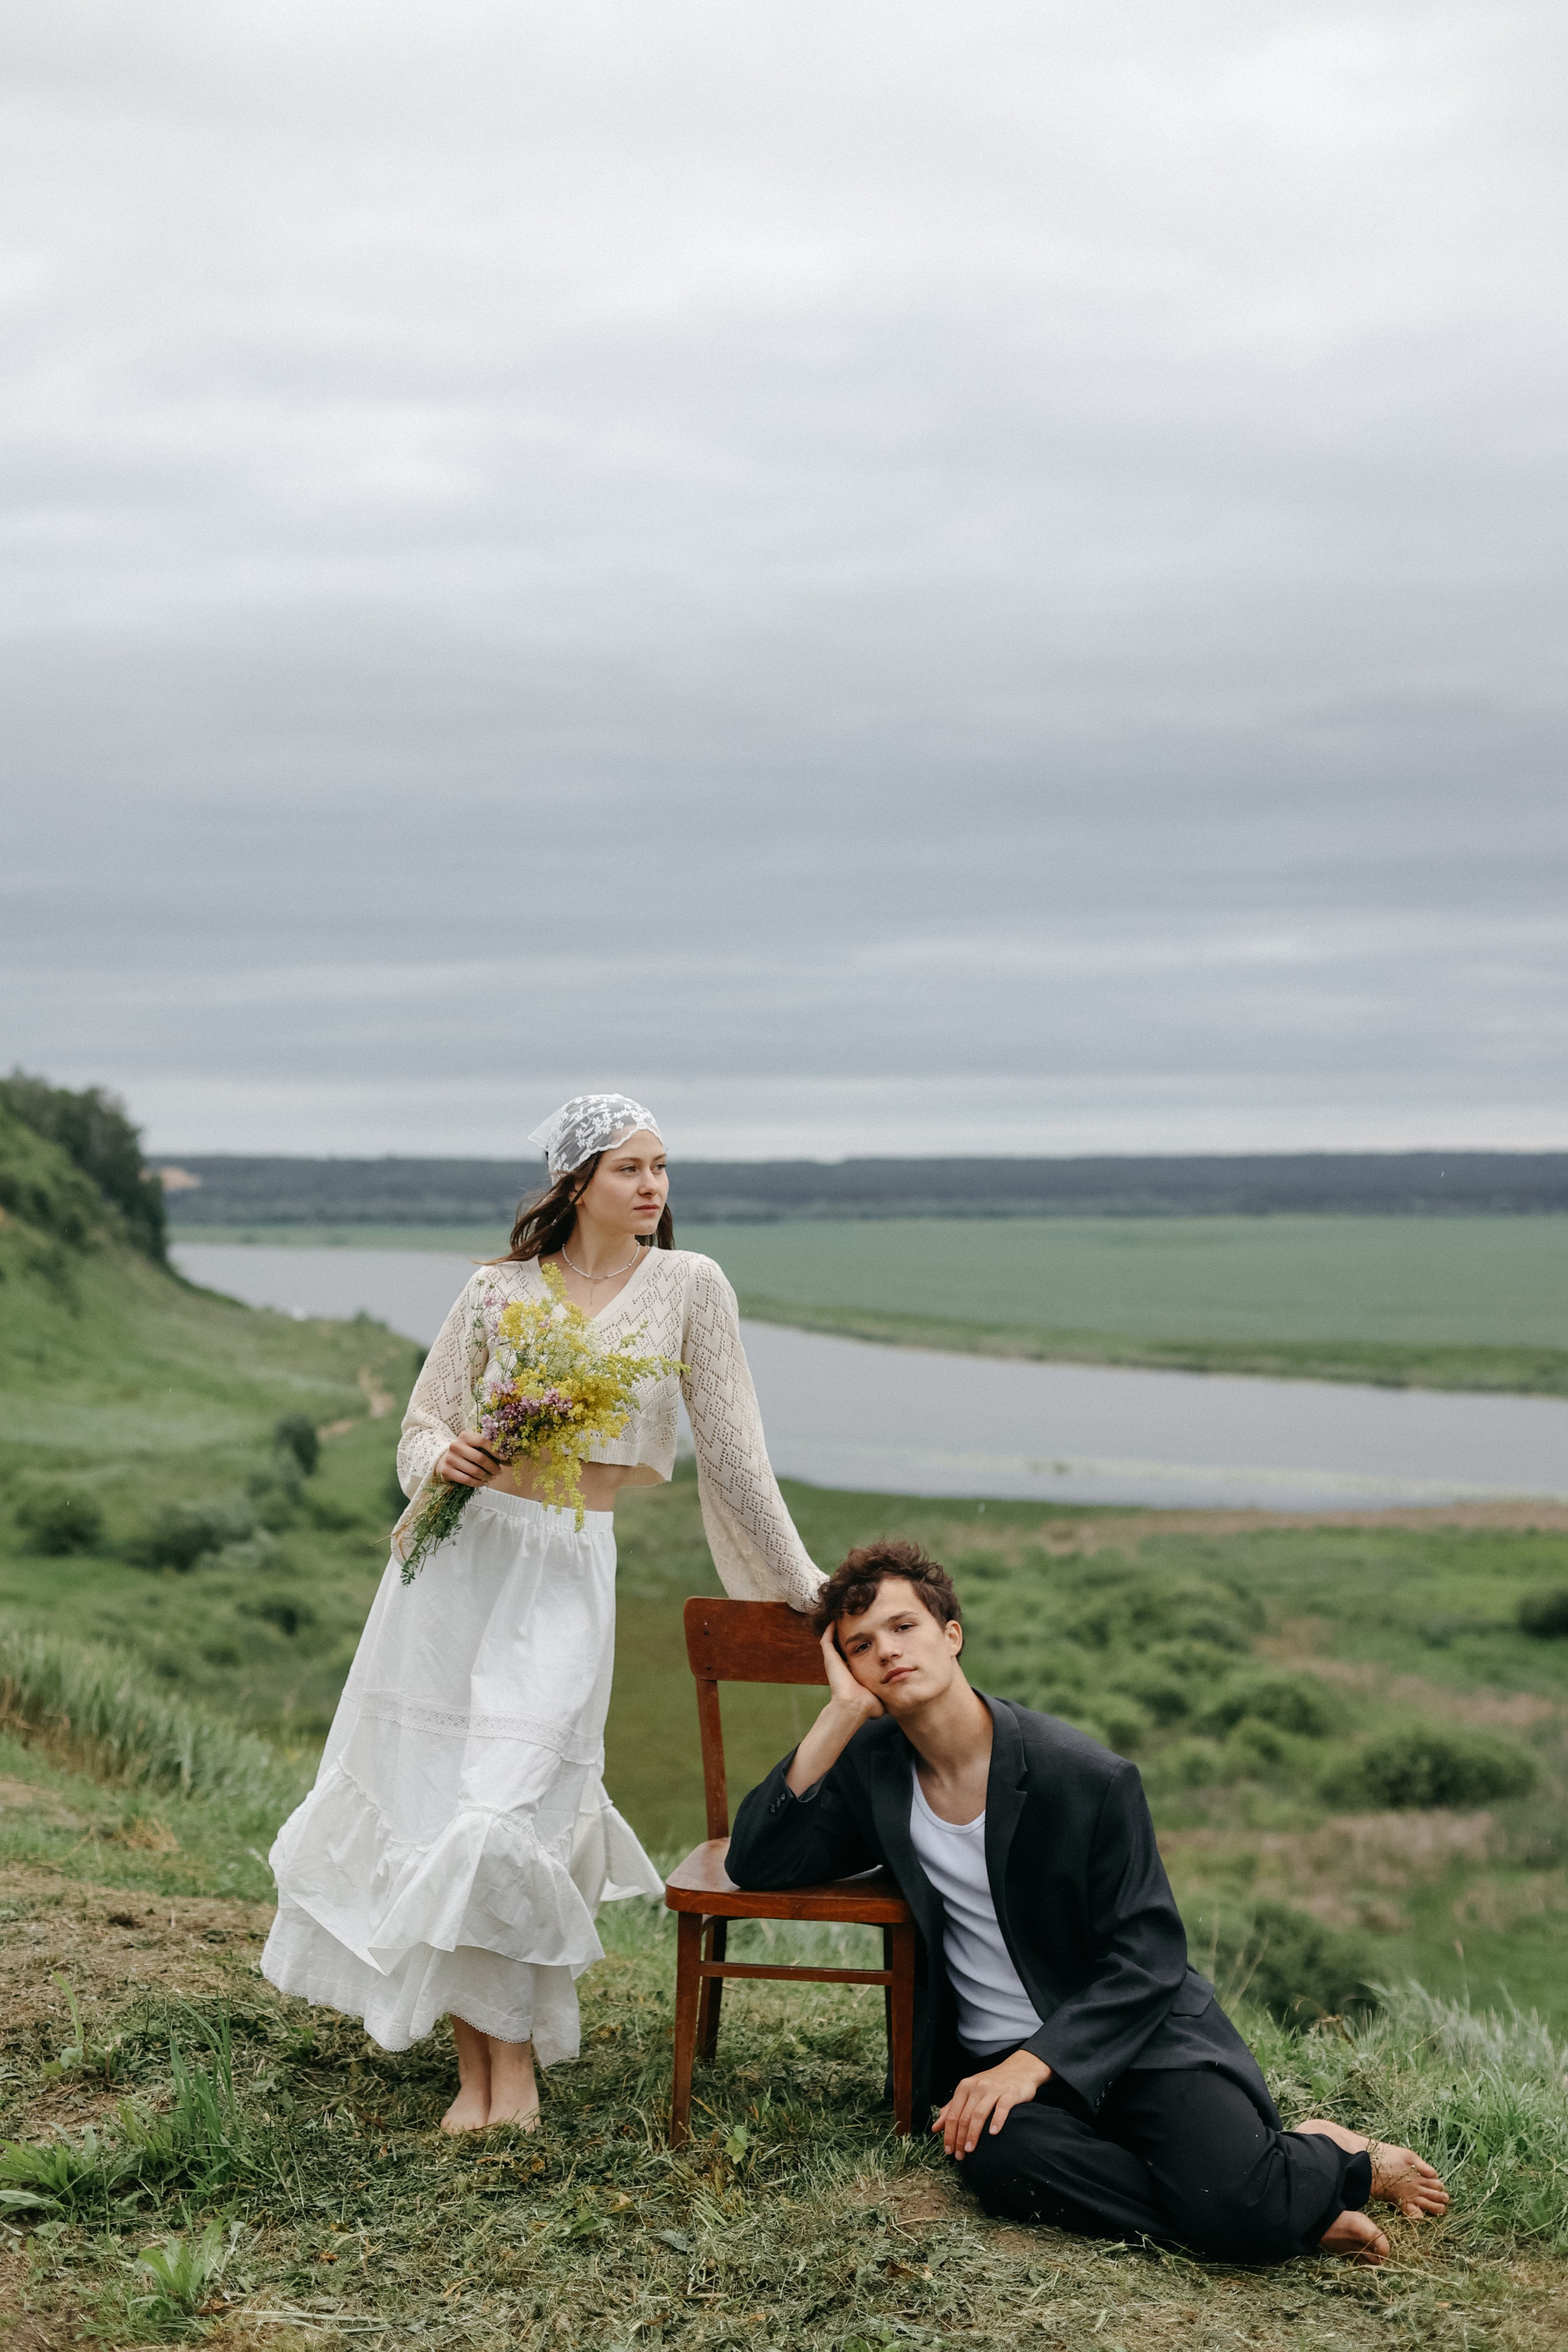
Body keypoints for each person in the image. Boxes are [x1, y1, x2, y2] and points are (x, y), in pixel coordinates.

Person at [263, 1093, 823, 2133]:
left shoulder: (690, 1285)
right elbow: (418, 1429)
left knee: (503, 1815)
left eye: (661, 1167)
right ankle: (480, 2074)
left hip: (566, 1568)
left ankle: (512, 2072)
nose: (654, 1186)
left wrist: (804, 1584)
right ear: (578, 1183)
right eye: (630, 1168)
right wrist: (446, 1455)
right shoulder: (496, 1291)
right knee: (444, 1815)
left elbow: (737, 1454)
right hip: (458, 1564)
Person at [726, 1540, 1450, 2266]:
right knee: (994, 2161)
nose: (886, 1650)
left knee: (1233, 2203)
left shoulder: (1084, 1777)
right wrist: (841, 1715)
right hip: (992, 2063)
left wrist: (1034, 2062)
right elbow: (756, 1861)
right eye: (860, 1645)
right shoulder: (873, 1769)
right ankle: (1278, 2208)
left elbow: (1150, 1957)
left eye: (903, 1626)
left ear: (951, 1635)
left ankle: (1332, 2160)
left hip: (1137, 2043)